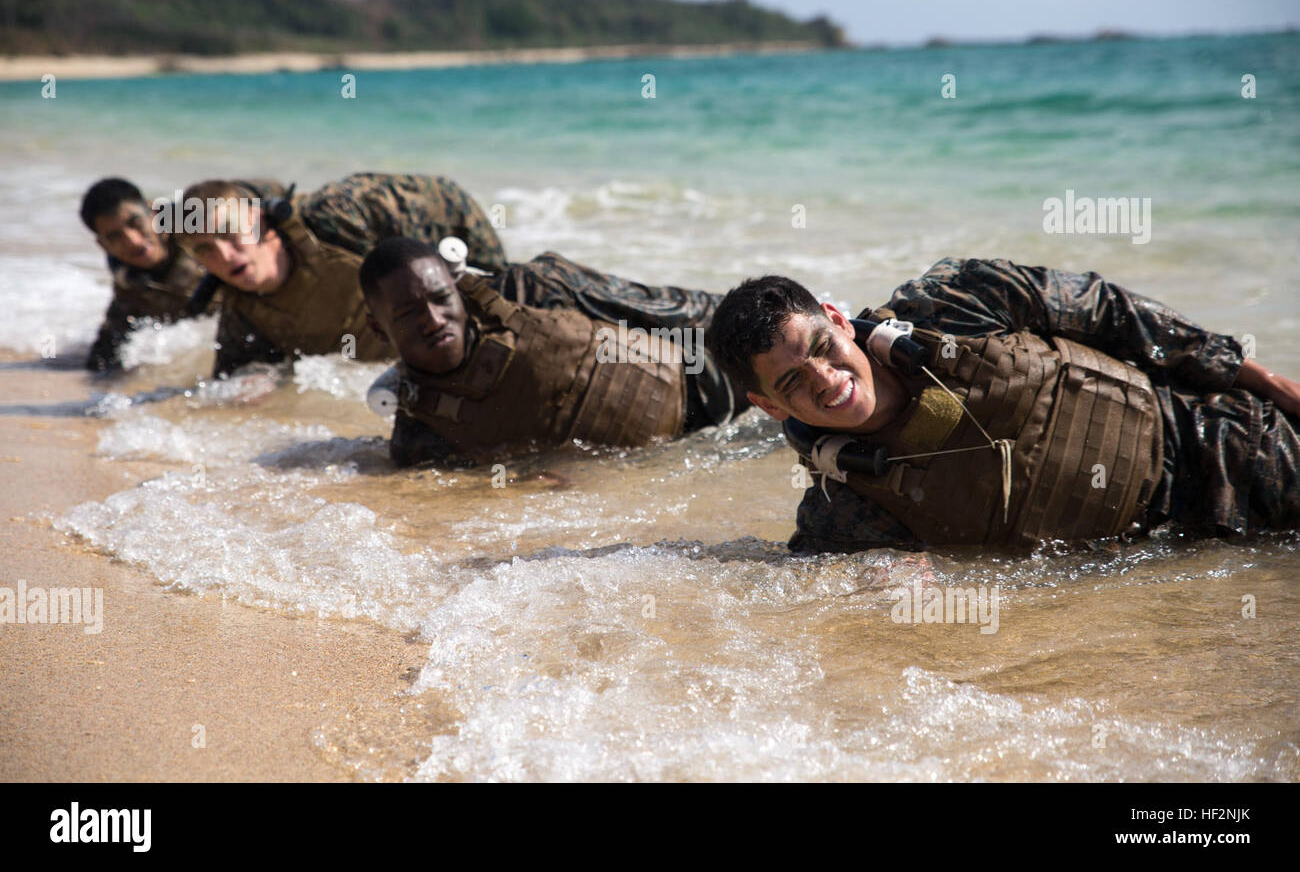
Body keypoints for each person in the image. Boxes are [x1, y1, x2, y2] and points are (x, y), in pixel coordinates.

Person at [705, 257, 1300, 552]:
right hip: (1180, 553)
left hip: (1221, 441)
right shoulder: (841, 510)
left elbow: (1107, 309)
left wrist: (1260, 376)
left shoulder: (952, 304)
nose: (827, 379)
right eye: (792, 384)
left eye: (822, 347)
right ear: (768, 408)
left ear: (838, 321)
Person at [358, 237, 746, 468]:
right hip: (685, 457)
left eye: (442, 298)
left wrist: (767, 324)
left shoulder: (535, 291)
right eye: (409, 313)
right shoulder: (421, 436)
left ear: (457, 287)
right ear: (378, 327)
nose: (433, 320)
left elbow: (667, 308)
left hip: (720, 387)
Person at [179, 173, 506, 376]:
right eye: (204, 249)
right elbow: (226, 385)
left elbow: (441, 200)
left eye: (229, 232)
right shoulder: (240, 312)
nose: (224, 255)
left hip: (454, 226)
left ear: (258, 219)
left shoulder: (336, 218)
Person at [79, 177, 238, 372]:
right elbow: (105, 356)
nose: (133, 241)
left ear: (153, 212)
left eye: (135, 223)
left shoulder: (201, 231)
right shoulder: (130, 287)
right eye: (115, 236)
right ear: (104, 246)